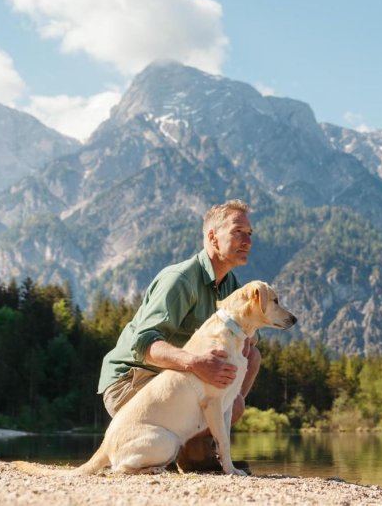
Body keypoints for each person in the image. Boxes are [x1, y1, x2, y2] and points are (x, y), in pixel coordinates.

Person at [97, 199, 260, 472]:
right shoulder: (180, 280)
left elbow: (247, 338)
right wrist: (194, 362)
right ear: (212, 237)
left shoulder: (230, 285)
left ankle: (198, 449)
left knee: (250, 357)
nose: (247, 240)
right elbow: (144, 343)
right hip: (132, 381)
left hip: (170, 382)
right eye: (238, 232)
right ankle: (169, 449)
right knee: (234, 396)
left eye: (250, 234)